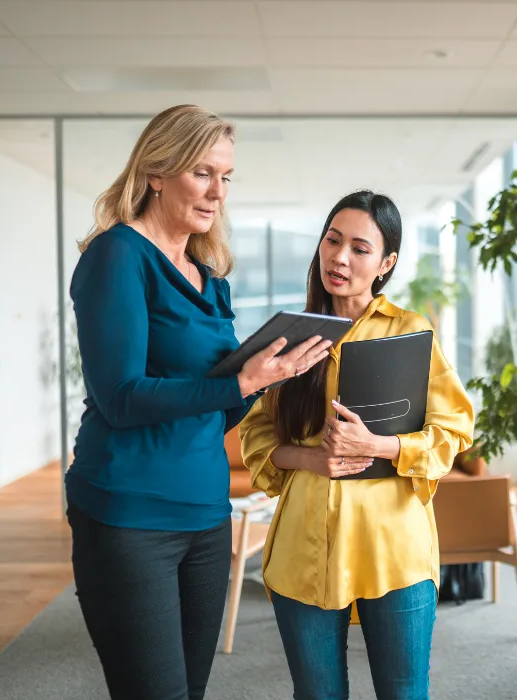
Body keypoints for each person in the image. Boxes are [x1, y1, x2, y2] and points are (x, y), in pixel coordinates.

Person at [65, 104, 332, 700]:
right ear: (156, 173)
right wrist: (238, 383)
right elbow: (120, 398)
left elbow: (217, 411)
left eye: (226, 177)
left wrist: (271, 375)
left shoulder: (209, 277)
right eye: (202, 172)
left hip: (207, 516)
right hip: (128, 515)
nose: (217, 192)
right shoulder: (118, 256)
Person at [239, 190, 475, 700]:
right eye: (332, 240)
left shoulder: (411, 331)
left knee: (404, 692)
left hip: (394, 546)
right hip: (304, 546)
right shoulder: (288, 336)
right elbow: (255, 435)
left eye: (360, 248)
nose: (339, 257)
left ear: (386, 262)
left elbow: (453, 429)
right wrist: (311, 457)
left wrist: (381, 444)